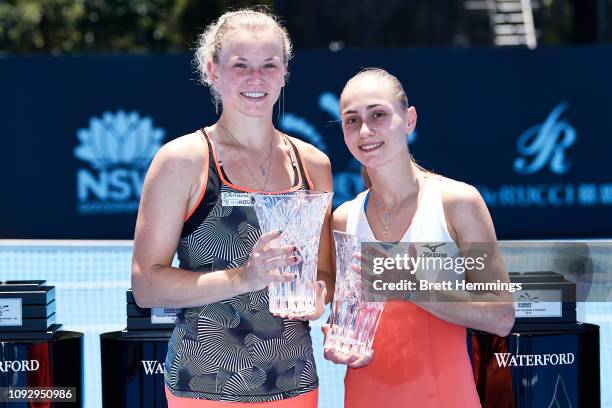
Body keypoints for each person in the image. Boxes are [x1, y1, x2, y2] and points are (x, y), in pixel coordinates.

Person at [131, 8, 333, 407]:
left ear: (284, 72)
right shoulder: (183, 160)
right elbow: (146, 285)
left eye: (268, 65)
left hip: (296, 385)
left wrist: (319, 296)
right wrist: (245, 277)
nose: (255, 79)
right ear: (213, 70)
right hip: (203, 388)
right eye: (240, 65)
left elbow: (323, 271)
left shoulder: (313, 164)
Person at [324, 68, 515, 407]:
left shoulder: (457, 203)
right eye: (352, 121)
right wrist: (340, 337)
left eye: (378, 115)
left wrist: (410, 284)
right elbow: (351, 317)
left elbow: (501, 316)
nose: (365, 130)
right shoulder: (343, 219)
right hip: (365, 397)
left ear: (409, 120)